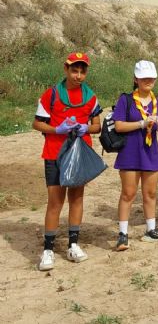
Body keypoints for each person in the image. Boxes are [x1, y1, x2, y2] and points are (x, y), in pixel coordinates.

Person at [32, 52, 102, 271]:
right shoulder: (51, 95)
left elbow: (97, 125)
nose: (78, 75)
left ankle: (73, 244)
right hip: (54, 152)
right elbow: (36, 123)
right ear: (66, 69)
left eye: (82, 71)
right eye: (74, 70)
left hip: (79, 153)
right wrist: (56, 129)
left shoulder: (91, 97)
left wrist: (85, 128)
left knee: (77, 198)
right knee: (55, 201)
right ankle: (48, 249)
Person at [113, 61, 158, 251]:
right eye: (144, 77)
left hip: (150, 152)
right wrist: (142, 123)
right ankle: (122, 234)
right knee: (128, 193)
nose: (148, 80)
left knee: (151, 193)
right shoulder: (126, 100)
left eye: (151, 77)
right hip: (130, 152)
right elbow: (119, 126)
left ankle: (151, 229)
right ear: (136, 79)